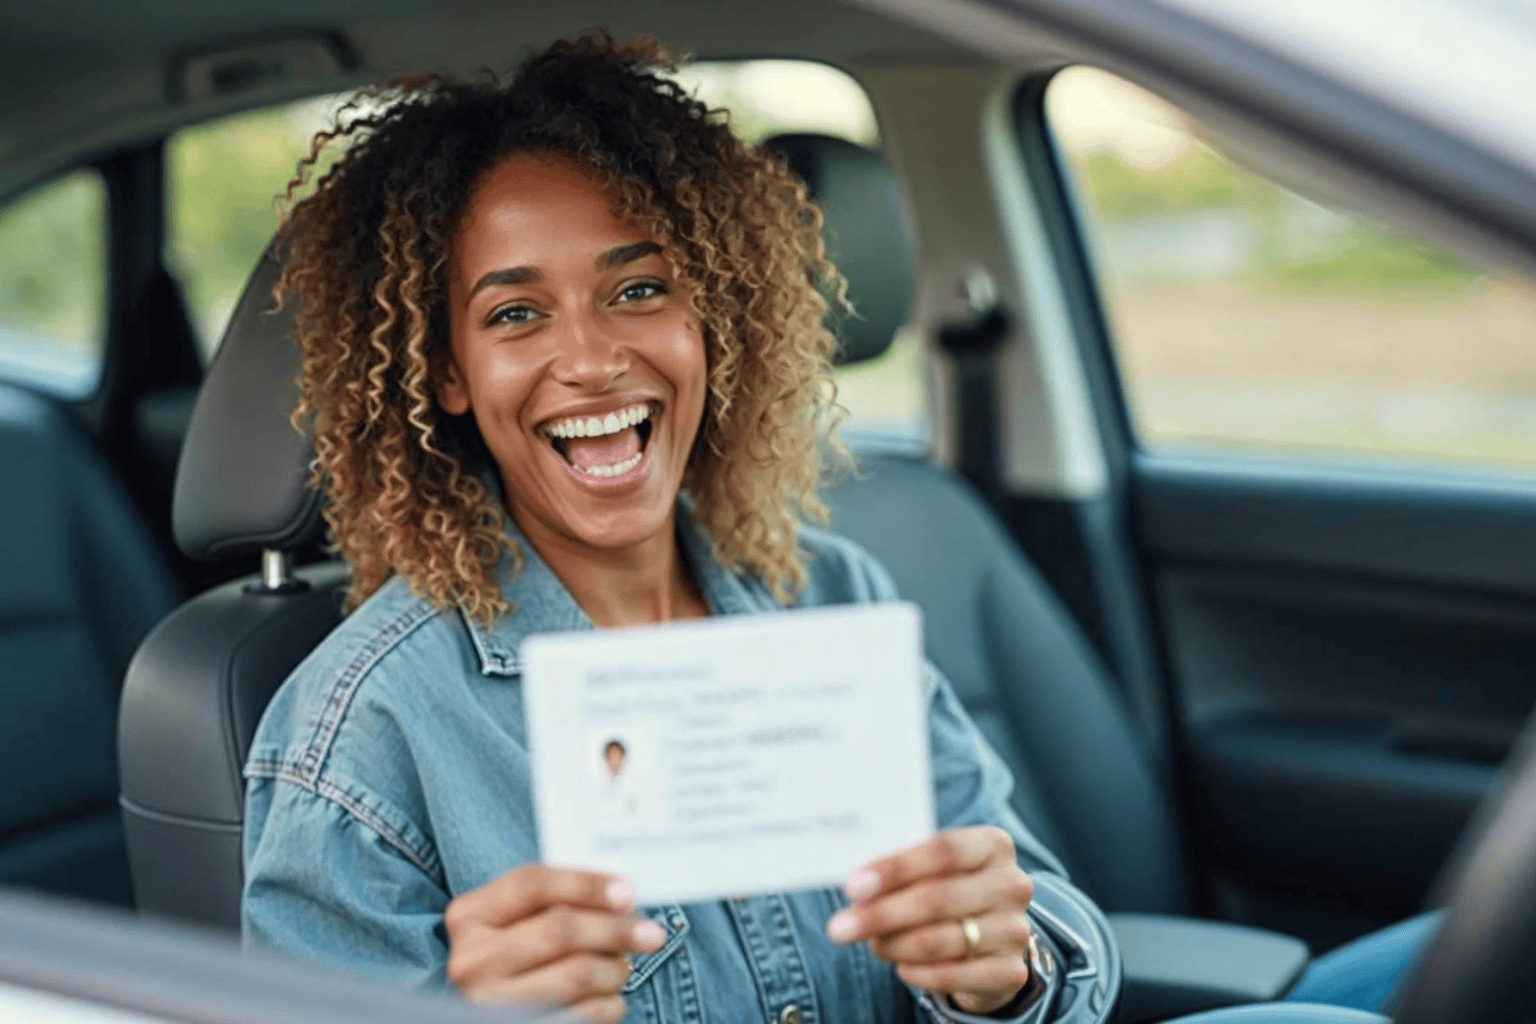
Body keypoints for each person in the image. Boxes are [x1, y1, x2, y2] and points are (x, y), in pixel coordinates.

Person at [241, 32, 1432, 1024]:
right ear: (443, 373)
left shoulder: (833, 595)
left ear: (713, 315)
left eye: (639, 288)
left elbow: (1049, 927)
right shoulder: (364, 734)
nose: (593, 356)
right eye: (515, 314)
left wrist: (1004, 970)